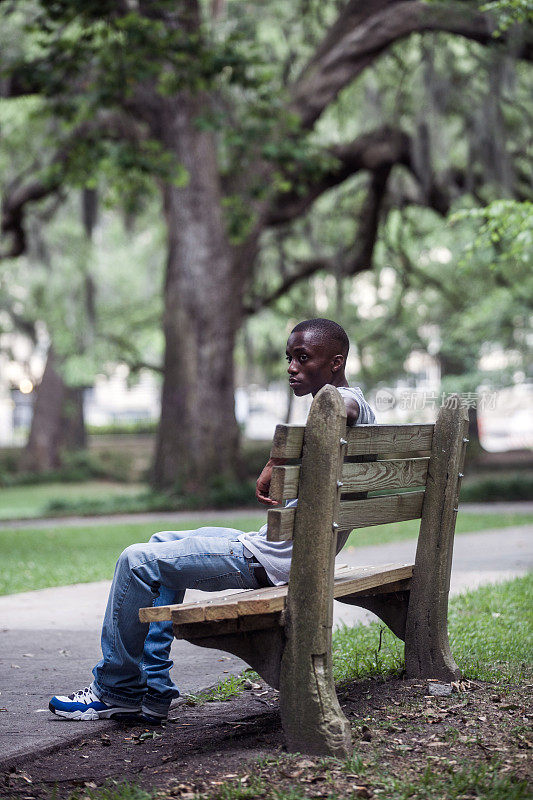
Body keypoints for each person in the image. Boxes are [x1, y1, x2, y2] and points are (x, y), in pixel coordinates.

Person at [49, 318, 375, 724]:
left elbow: (339, 406)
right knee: (159, 540)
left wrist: (277, 457)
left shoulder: (346, 403)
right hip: (280, 551)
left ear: (336, 362)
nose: (292, 367)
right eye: (289, 358)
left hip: (270, 563)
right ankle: (152, 688)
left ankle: (116, 689)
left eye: (303, 358)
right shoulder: (352, 409)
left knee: (136, 560)